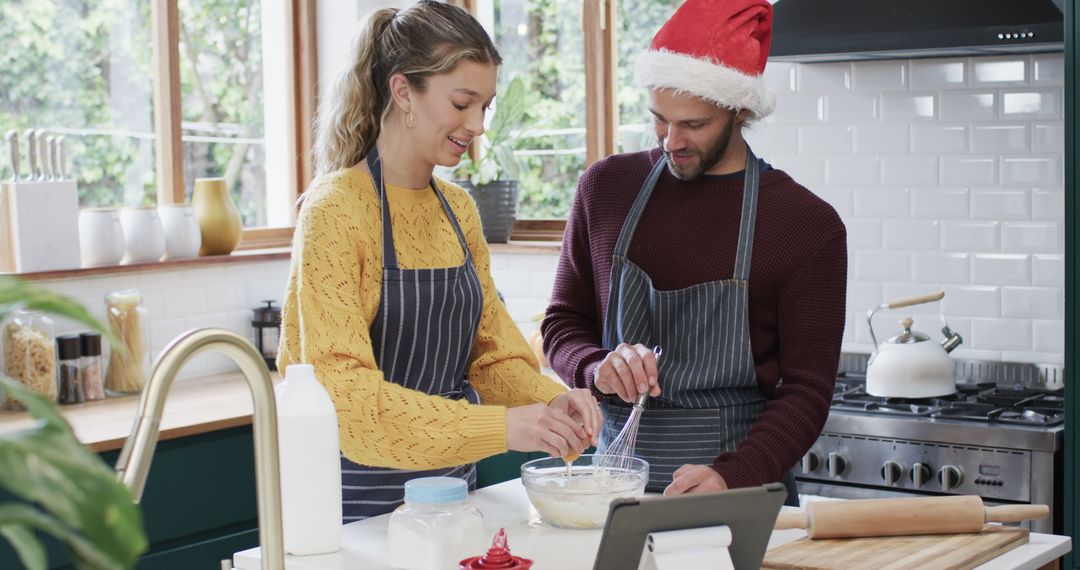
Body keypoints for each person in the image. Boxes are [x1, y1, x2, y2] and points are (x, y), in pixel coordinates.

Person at [277, 0, 600, 522]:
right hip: (352, 513)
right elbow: (350, 406)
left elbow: (492, 358)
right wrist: (507, 428)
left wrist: (549, 402)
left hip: (450, 505)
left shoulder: (459, 210)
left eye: (485, 107)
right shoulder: (336, 209)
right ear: (403, 91)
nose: (476, 124)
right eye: (461, 103)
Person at [542, 0, 847, 504]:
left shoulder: (805, 224)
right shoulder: (606, 188)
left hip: (739, 495)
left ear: (741, 110)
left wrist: (735, 474)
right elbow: (562, 322)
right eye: (659, 119)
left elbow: (807, 391)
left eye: (694, 124)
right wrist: (597, 367)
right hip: (612, 491)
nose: (671, 141)